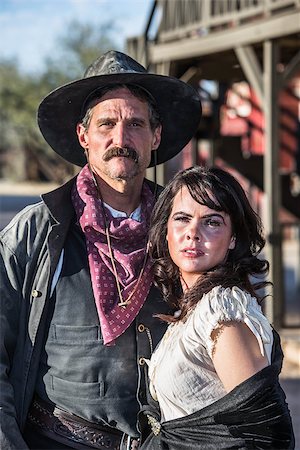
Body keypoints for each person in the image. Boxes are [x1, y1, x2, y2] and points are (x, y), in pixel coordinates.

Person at [0, 51, 202, 450]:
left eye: (136, 124)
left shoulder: (184, 228)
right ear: (83, 136)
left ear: (155, 137)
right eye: (106, 123)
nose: (120, 139)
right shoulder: (36, 230)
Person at [139, 166, 295, 449]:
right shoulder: (190, 310)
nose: (193, 233)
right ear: (166, 231)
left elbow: (262, 435)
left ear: (233, 237)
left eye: (211, 222)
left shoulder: (222, 310)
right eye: (182, 219)